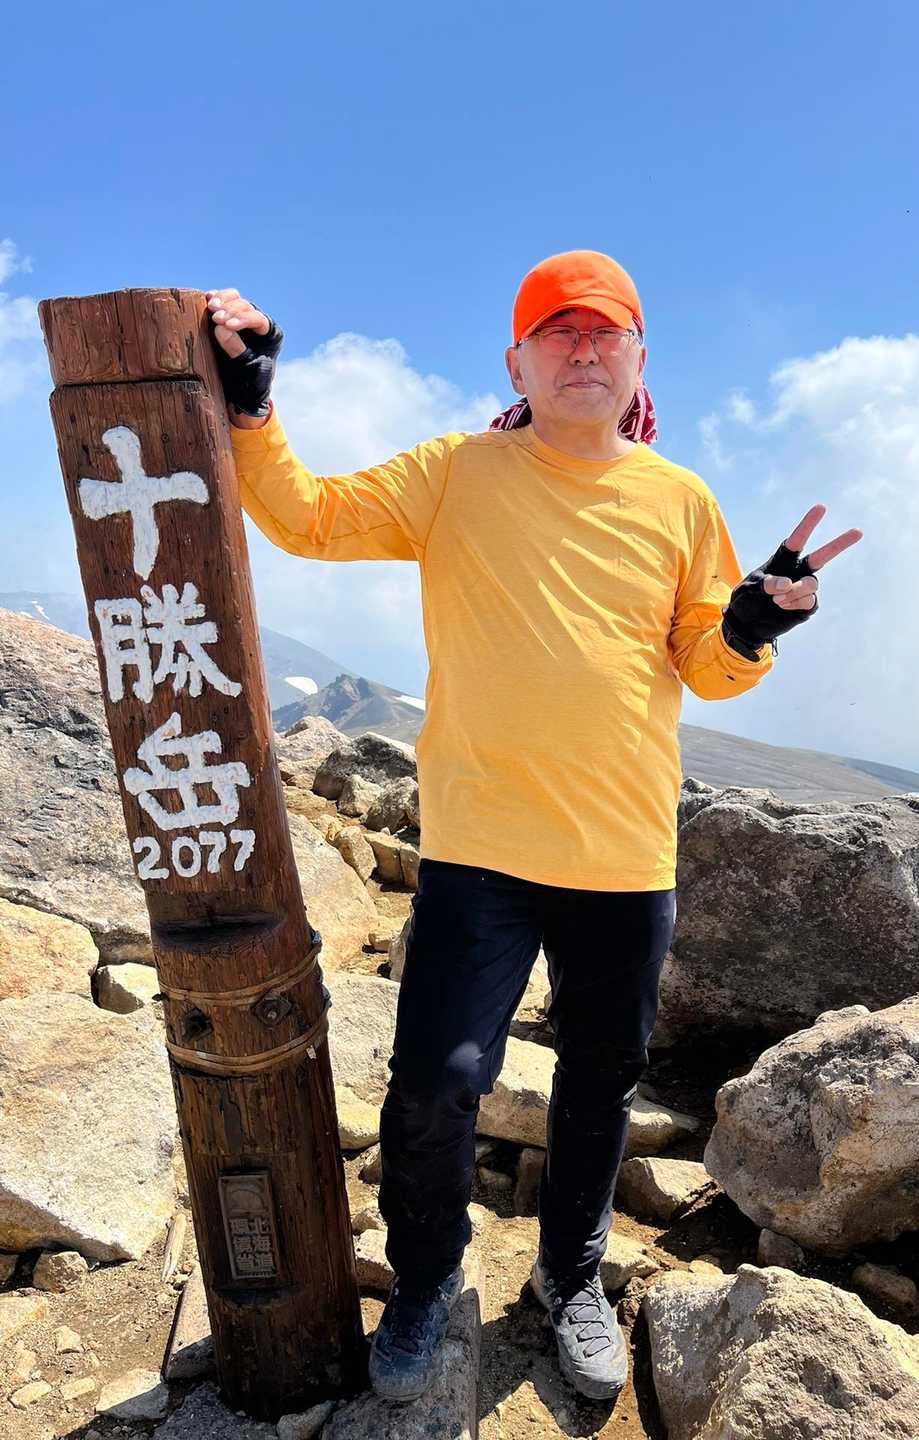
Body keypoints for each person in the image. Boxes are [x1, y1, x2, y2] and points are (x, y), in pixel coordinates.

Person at [205, 251, 862, 1406]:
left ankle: (570, 1277)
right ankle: (424, 1281)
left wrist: (753, 624)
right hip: (481, 850)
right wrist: (254, 406)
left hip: (623, 854)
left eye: (606, 332)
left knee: (600, 1086)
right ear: (516, 362)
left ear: (640, 360)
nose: (584, 349)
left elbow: (705, 664)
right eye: (559, 331)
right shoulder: (457, 472)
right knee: (434, 1080)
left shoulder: (680, 500)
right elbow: (310, 519)